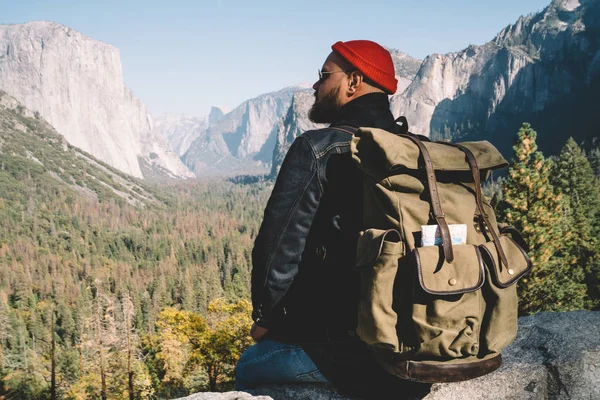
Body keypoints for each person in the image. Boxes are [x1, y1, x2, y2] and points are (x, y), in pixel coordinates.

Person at [235, 40, 431, 399]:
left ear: (353, 81)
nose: (315, 86)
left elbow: (278, 248)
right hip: (418, 341)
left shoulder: (319, 148)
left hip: (346, 351)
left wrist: (265, 320)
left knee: (250, 366)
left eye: (324, 76)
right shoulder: (417, 150)